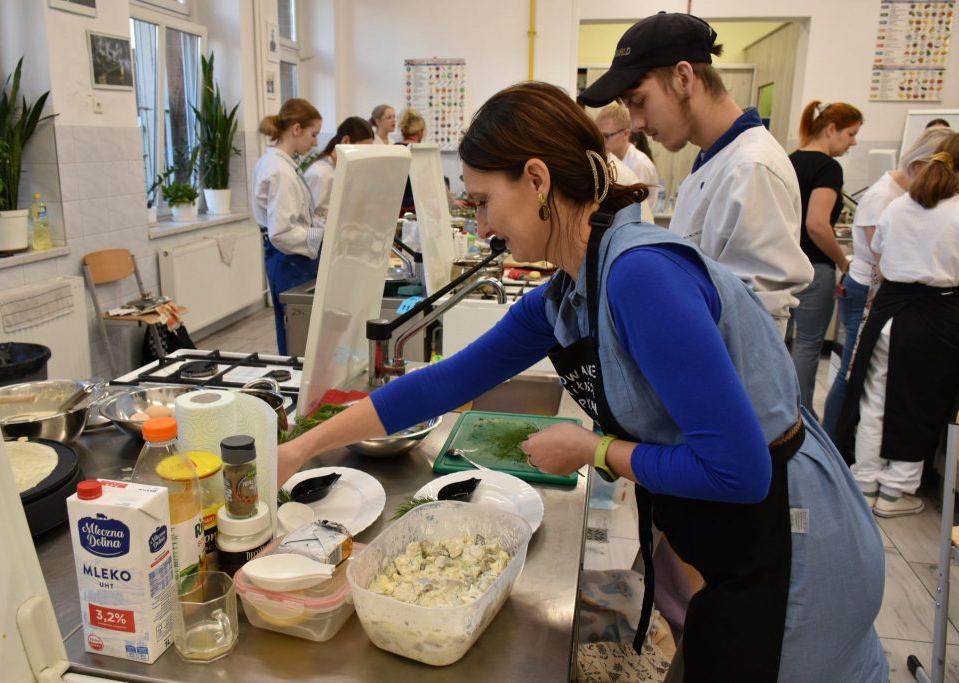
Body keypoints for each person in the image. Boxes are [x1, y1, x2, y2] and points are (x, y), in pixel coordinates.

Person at [278, 81, 887, 682]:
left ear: (538, 181)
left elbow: (739, 470)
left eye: (485, 200)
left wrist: (594, 450)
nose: (484, 226)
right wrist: (303, 447)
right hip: (730, 533)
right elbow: (437, 384)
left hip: (791, 540)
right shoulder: (569, 291)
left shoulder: (639, 276)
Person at [578, 12, 813, 332]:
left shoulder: (751, 168)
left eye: (639, 101)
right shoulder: (713, 161)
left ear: (683, 78)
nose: (636, 124)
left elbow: (757, 320)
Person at [839, 132, 959, 517]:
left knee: (875, 398)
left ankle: (865, 479)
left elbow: (879, 252)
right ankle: (897, 489)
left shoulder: (900, 205)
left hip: (890, 310)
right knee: (919, 402)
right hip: (936, 313)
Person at [822, 127, 953, 443]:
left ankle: (850, 450)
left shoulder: (904, 201)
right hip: (872, 291)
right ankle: (835, 441)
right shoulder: (886, 196)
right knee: (855, 374)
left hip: (888, 298)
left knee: (871, 383)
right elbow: (882, 261)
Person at [786, 101, 863, 413]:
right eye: (851, 134)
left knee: (779, 340)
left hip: (784, 265)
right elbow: (817, 224)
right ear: (831, 129)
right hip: (813, 268)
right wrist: (844, 261)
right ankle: (800, 415)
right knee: (806, 346)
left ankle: (778, 409)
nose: (853, 142)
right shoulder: (829, 168)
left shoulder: (788, 160)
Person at [252, 98, 323, 355]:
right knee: (297, 337)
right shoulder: (279, 170)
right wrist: (321, 236)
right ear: (296, 129)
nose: (315, 142)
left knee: (298, 334)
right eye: (313, 134)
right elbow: (282, 232)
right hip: (289, 260)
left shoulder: (279, 164)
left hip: (289, 259)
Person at [303, 116, 374, 223]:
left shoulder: (345, 169)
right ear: (346, 141)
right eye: (362, 150)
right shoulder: (319, 173)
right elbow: (307, 218)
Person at [595, 102, 660, 212]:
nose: (601, 142)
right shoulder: (609, 160)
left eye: (606, 136)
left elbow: (635, 211)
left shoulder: (640, 165)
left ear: (626, 134)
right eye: (599, 136)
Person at [396, 107, 427, 215]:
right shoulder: (420, 152)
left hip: (395, 209)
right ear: (420, 132)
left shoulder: (393, 149)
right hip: (415, 210)